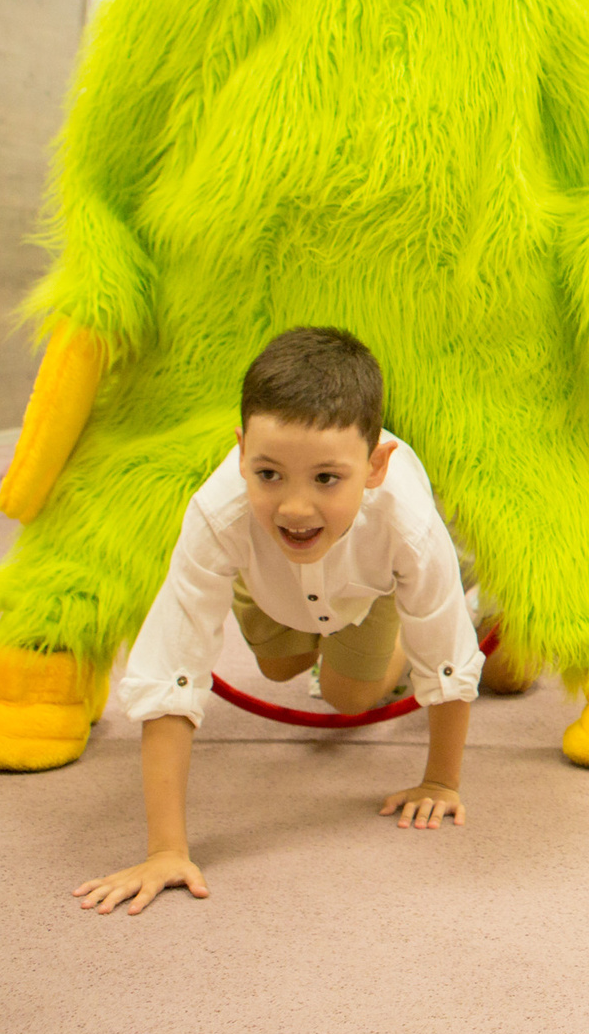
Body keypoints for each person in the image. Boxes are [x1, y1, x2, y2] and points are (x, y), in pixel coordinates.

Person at [75, 327, 484, 916]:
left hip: (367, 587)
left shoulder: (405, 521)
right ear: (241, 452)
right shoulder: (219, 513)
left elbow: (443, 648)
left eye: (326, 478)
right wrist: (166, 850)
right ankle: (322, 640)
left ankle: (462, 595)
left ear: (374, 466)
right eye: (268, 474)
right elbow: (173, 668)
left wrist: (442, 782)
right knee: (280, 667)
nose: (294, 507)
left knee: (348, 696)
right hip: (271, 581)